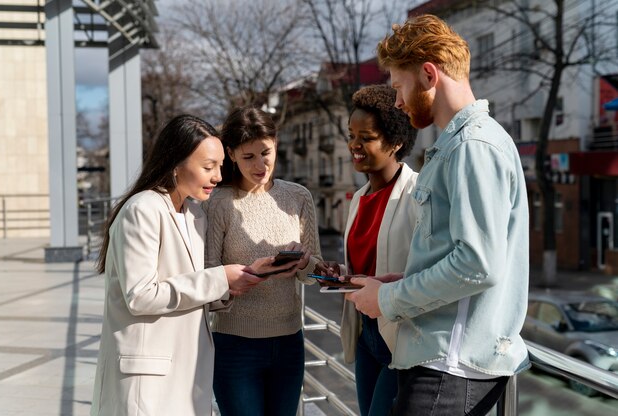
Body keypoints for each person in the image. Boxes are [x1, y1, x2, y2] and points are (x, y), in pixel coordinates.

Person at [346, 14, 530, 416]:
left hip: (451, 365)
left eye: (398, 86)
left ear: (428, 75)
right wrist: (404, 279)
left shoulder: (473, 146)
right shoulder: (460, 145)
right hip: (445, 360)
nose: (395, 101)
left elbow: (478, 265)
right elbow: (458, 253)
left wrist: (390, 298)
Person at [90, 115, 295, 416]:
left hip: (184, 376)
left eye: (220, 166)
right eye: (208, 167)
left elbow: (190, 290)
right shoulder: (142, 209)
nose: (217, 176)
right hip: (146, 379)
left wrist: (238, 280)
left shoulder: (194, 215)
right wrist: (219, 279)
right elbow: (142, 295)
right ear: (175, 163)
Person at [204, 106, 322, 416]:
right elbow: (207, 278)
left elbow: (314, 276)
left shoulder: (299, 197)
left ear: (276, 144)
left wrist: (305, 263)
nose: (260, 165)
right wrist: (246, 276)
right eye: (248, 157)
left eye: (265, 153)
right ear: (230, 154)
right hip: (234, 346)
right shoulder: (218, 202)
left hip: (289, 343)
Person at [314, 84, 418, 416]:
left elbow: (426, 269)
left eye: (366, 137)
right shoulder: (358, 198)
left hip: (400, 337)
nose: (354, 145)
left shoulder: (417, 195)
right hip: (365, 335)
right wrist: (341, 276)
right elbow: (367, 267)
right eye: (352, 134)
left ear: (395, 142)